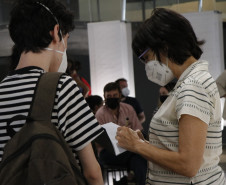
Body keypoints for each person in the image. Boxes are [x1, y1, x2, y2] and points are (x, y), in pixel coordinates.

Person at [116, 8, 225, 185]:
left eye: (146, 57)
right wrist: (146, 144)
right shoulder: (189, 82)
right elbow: (179, 147)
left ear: (164, 46)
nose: (147, 65)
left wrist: (138, 146)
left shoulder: (193, 86)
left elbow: (188, 164)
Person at [0, 0, 104, 185]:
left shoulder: (2, 90)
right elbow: (92, 173)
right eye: (67, 39)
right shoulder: (62, 86)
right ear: (56, 32)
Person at [95, 82, 146, 185]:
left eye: (114, 95)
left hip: (129, 150)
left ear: (119, 96)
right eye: (109, 96)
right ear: (104, 97)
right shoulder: (100, 114)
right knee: (140, 153)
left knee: (138, 161)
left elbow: (138, 130)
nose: (112, 98)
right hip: (109, 152)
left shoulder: (128, 109)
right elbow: (98, 141)